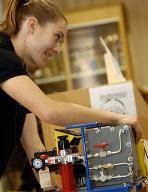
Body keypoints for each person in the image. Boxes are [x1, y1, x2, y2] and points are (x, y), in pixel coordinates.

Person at [0, 0, 143, 187]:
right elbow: (49, 111)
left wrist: (52, 189)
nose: (58, 49)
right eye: (57, 36)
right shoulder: (3, 57)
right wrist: (116, 119)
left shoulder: (17, 74)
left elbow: (33, 146)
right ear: (33, 25)